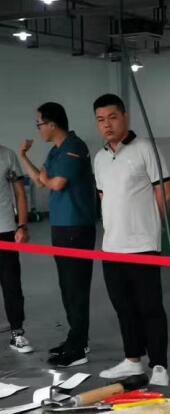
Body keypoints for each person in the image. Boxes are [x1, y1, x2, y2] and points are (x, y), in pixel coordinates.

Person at [92, 94, 170, 387]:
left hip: (142, 246)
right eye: (101, 120)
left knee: (150, 308)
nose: (107, 125)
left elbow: (166, 191)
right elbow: (104, 197)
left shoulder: (145, 149)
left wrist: (150, 226)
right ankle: (132, 359)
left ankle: (160, 366)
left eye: (112, 117)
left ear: (125, 117)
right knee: (124, 308)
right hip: (111, 247)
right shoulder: (100, 158)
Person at [18, 102, 97, 366]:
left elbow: (57, 183)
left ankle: (78, 348)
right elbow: (42, 181)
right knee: (67, 287)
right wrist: (23, 157)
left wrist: (47, 179)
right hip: (61, 227)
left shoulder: (74, 147)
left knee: (76, 288)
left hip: (76, 227)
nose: (38, 129)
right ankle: (76, 338)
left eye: (39, 124)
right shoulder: (56, 151)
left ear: (52, 124)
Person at [0, 145, 31, 353]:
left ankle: (17, 333)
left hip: (5, 229)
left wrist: (22, 225)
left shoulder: (7, 155)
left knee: (11, 283)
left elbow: (20, 193)